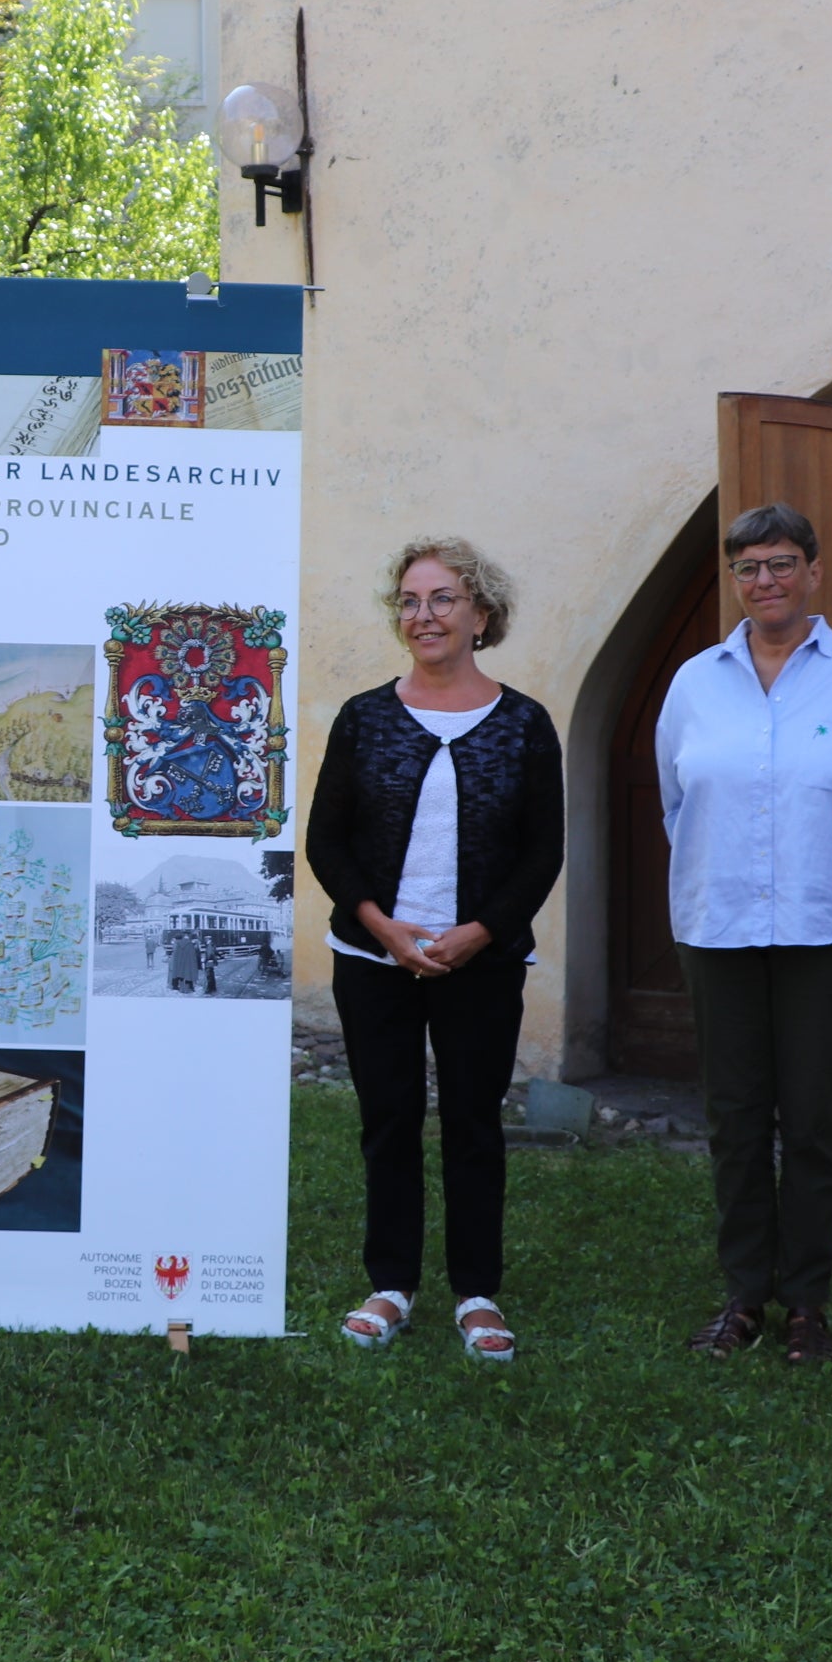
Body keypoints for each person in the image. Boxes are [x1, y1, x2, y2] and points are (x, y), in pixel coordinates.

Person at [655, 502, 832, 1369]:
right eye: (748, 567)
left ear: (813, 571)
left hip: (828, 929)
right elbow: (678, 804)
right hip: (719, 925)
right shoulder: (695, 683)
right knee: (735, 1119)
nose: (764, 581)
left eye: (780, 563)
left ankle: (806, 1304)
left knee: (811, 1121)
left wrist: (819, 864)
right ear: (734, 579)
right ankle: (744, 1296)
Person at [305, 537, 564, 1365]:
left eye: (444, 598)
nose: (424, 615)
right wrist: (382, 927)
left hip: (481, 961)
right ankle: (391, 1283)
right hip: (373, 957)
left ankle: (476, 1292)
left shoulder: (524, 725)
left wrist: (478, 932)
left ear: (481, 615)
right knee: (387, 1121)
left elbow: (542, 853)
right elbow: (326, 842)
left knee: (473, 1124)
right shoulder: (364, 718)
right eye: (411, 601)